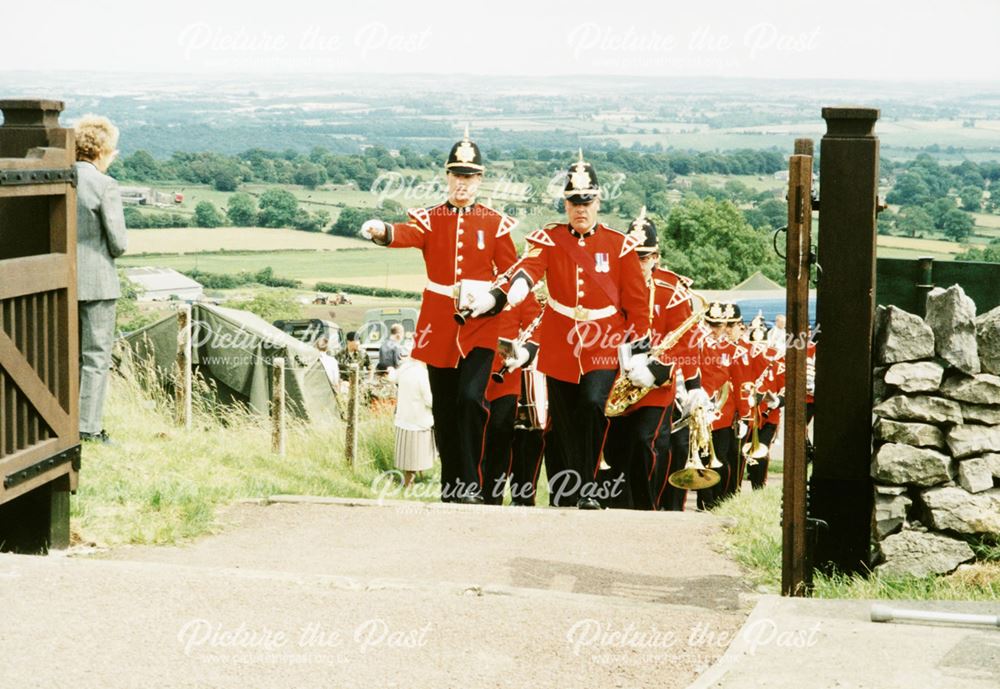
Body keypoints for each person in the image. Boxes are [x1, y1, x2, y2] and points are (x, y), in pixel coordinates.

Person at [360, 127, 518, 503]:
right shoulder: (431, 218)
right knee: (445, 409)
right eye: (456, 176)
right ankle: (454, 486)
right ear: (447, 177)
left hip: (481, 324)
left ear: (479, 180)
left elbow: (511, 273)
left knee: (469, 399)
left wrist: (499, 303)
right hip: (438, 324)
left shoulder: (494, 222)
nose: (462, 184)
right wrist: (383, 231)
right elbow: (407, 234)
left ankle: (474, 482)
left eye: (469, 177)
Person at [496, 151, 650, 509]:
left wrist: (638, 350)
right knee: (563, 419)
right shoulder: (549, 239)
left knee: (593, 404)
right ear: (565, 204)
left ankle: (589, 488)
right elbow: (532, 266)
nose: (580, 209)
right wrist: (519, 286)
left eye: (587, 201)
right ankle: (571, 488)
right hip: (561, 338)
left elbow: (637, 303)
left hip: (603, 338)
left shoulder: (619, 245)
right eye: (573, 202)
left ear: (598, 202)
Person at [600, 208, 697, 511]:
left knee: (646, 443)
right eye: (632, 256)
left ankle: (647, 511)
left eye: (644, 257)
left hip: (655, 385)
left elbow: (684, 342)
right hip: (616, 383)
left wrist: (657, 370)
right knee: (615, 452)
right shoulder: (607, 287)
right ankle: (616, 511)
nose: (638, 263)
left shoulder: (671, 290)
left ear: (657, 256)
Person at [74, 115, 127, 444]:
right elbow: (118, 243)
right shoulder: (104, 185)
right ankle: (88, 428)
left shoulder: (62, 176)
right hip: (97, 283)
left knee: (64, 354)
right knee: (95, 358)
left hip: (61, 281)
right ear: (103, 150)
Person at [481, 290, 543, 505]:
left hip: (506, 378)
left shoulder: (520, 292)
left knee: (499, 435)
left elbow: (536, 327)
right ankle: (471, 489)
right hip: (475, 373)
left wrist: (524, 352)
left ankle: (492, 497)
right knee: (476, 436)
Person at [391, 358, 436, 488]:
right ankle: (409, 483)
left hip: (403, 418)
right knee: (416, 456)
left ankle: (410, 480)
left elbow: (392, 377)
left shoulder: (404, 370)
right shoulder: (422, 374)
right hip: (419, 419)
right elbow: (429, 399)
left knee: (407, 455)